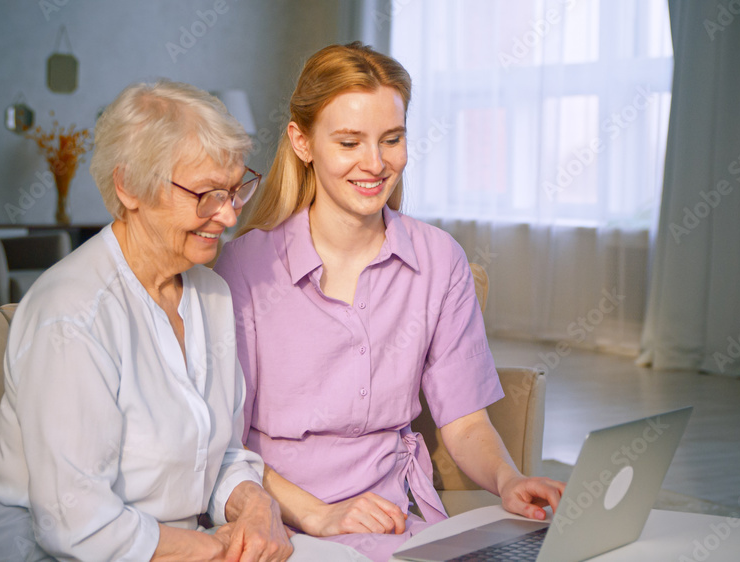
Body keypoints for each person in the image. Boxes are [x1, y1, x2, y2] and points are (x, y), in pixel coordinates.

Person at [0, 80, 366, 561]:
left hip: (177, 543)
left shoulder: (211, 293)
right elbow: (74, 525)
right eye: (205, 194)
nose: (227, 216)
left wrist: (258, 506)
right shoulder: (72, 315)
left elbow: (216, 457)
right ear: (129, 186)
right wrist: (211, 549)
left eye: (234, 190)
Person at [213, 43, 566, 560]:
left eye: (392, 139)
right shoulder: (245, 268)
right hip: (277, 523)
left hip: (393, 525)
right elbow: (225, 448)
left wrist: (507, 479)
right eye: (350, 142)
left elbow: (465, 420)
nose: (375, 164)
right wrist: (321, 513)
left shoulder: (440, 260)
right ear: (302, 141)